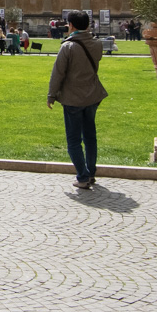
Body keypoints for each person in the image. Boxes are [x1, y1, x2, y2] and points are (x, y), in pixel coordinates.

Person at [47, 10, 108, 189]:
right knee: (90, 137)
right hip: (92, 96)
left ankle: (82, 177)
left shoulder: (68, 47)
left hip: (73, 98)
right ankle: (91, 172)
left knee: (74, 140)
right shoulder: (97, 44)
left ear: (71, 25)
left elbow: (58, 73)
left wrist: (51, 94)